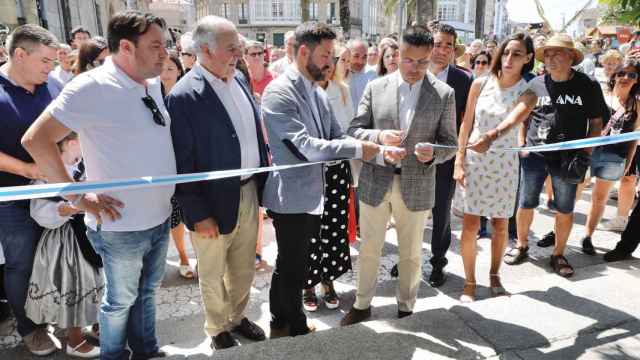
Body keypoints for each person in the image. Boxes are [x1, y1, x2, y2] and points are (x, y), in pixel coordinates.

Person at [22, 12, 176, 360]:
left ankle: (146, 351)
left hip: (158, 217)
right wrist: (77, 196)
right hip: (120, 225)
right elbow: (36, 141)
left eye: (164, 45)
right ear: (125, 46)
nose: (164, 53)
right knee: (120, 301)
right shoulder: (90, 87)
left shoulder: (151, 83)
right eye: (155, 46)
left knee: (147, 293)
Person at [261, 21, 380, 338]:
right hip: (292, 198)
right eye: (326, 54)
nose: (332, 62)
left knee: (295, 265)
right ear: (303, 52)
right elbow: (305, 148)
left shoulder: (316, 91)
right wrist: (359, 147)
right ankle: (290, 326)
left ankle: (284, 320)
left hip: (315, 194)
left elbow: (335, 136)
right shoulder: (278, 93)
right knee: (292, 266)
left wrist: (376, 143)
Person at [341, 25, 458, 325]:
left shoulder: (444, 94)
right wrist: (380, 138)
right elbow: (354, 131)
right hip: (375, 179)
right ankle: (362, 303)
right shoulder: (374, 87)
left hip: (417, 183)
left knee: (411, 253)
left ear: (430, 56)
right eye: (408, 60)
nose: (415, 68)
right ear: (396, 53)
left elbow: (450, 144)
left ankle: (406, 306)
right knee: (369, 249)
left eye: (422, 61)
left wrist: (434, 153)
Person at [166, 16, 270, 350]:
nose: (239, 54)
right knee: (212, 272)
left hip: (248, 190)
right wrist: (196, 212)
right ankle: (217, 327)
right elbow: (182, 162)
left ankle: (237, 318)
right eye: (232, 48)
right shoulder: (184, 95)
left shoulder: (238, 78)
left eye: (239, 47)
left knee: (243, 268)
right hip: (210, 202)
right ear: (206, 50)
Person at [506, 34, 606, 275]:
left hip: (569, 158)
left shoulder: (587, 85)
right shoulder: (536, 84)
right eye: (547, 54)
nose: (550, 58)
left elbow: (596, 122)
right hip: (534, 156)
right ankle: (521, 245)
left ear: (571, 56)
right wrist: (522, 143)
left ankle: (558, 254)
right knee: (526, 203)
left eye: (557, 53)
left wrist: (586, 152)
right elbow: (523, 117)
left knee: (564, 208)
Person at [454, 33, 537, 302]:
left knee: (500, 226)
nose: (509, 58)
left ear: (528, 58)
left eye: (517, 54)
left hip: (504, 165)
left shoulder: (529, 90)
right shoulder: (479, 83)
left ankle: (494, 275)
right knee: (470, 226)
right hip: (475, 162)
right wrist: (459, 161)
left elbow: (514, 120)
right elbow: (466, 125)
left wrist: (490, 137)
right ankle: (469, 282)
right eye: (506, 52)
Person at [0, 24, 59, 357]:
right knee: (20, 264)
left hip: (50, 192)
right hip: (11, 199)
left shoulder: (48, 86)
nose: (50, 68)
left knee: (49, 258)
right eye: (45, 61)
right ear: (19, 54)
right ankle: (29, 328)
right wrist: (26, 170)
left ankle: (52, 313)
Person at [26, 133, 102, 358]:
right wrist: (66, 209)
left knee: (96, 281)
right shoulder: (45, 175)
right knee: (72, 285)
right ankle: (74, 340)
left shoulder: (83, 166)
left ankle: (96, 324)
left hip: (89, 234)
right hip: (64, 243)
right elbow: (39, 211)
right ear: (70, 143)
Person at [417, 23, 472, 288]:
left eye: (448, 45)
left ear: (454, 49)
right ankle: (409, 258)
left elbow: (465, 122)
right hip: (414, 157)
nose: (442, 50)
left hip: (446, 158)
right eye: (437, 44)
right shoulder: (413, 72)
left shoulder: (464, 80)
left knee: (441, 213)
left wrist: (460, 158)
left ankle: (438, 262)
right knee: (410, 211)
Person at [303, 43, 356, 312]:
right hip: (309, 169)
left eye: (332, 59)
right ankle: (308, 284)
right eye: (325, 57)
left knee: (334, 229)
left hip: (336, 170)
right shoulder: (302, 91)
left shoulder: (342, 91)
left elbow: (350, 130)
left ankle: (328, 280)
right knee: (309, 228)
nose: (329, 63)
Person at [580, 59, 640, 253]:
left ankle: (587, 237)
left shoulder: (637, 105)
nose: (626, 78)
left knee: (599, 198)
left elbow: (634, 138)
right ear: (614, 75)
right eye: (622, 73)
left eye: (632, 75)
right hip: (590, 153)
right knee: (573, 195)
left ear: (636, 80)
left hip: (614, 158)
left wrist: (628, 162)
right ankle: (557, 234)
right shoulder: (601, 96)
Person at [346, 38, 377, 112]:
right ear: (348, 54)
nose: (360, 61)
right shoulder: (339, 76)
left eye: (364, 57)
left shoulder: (373, 76)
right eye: (356, 56)